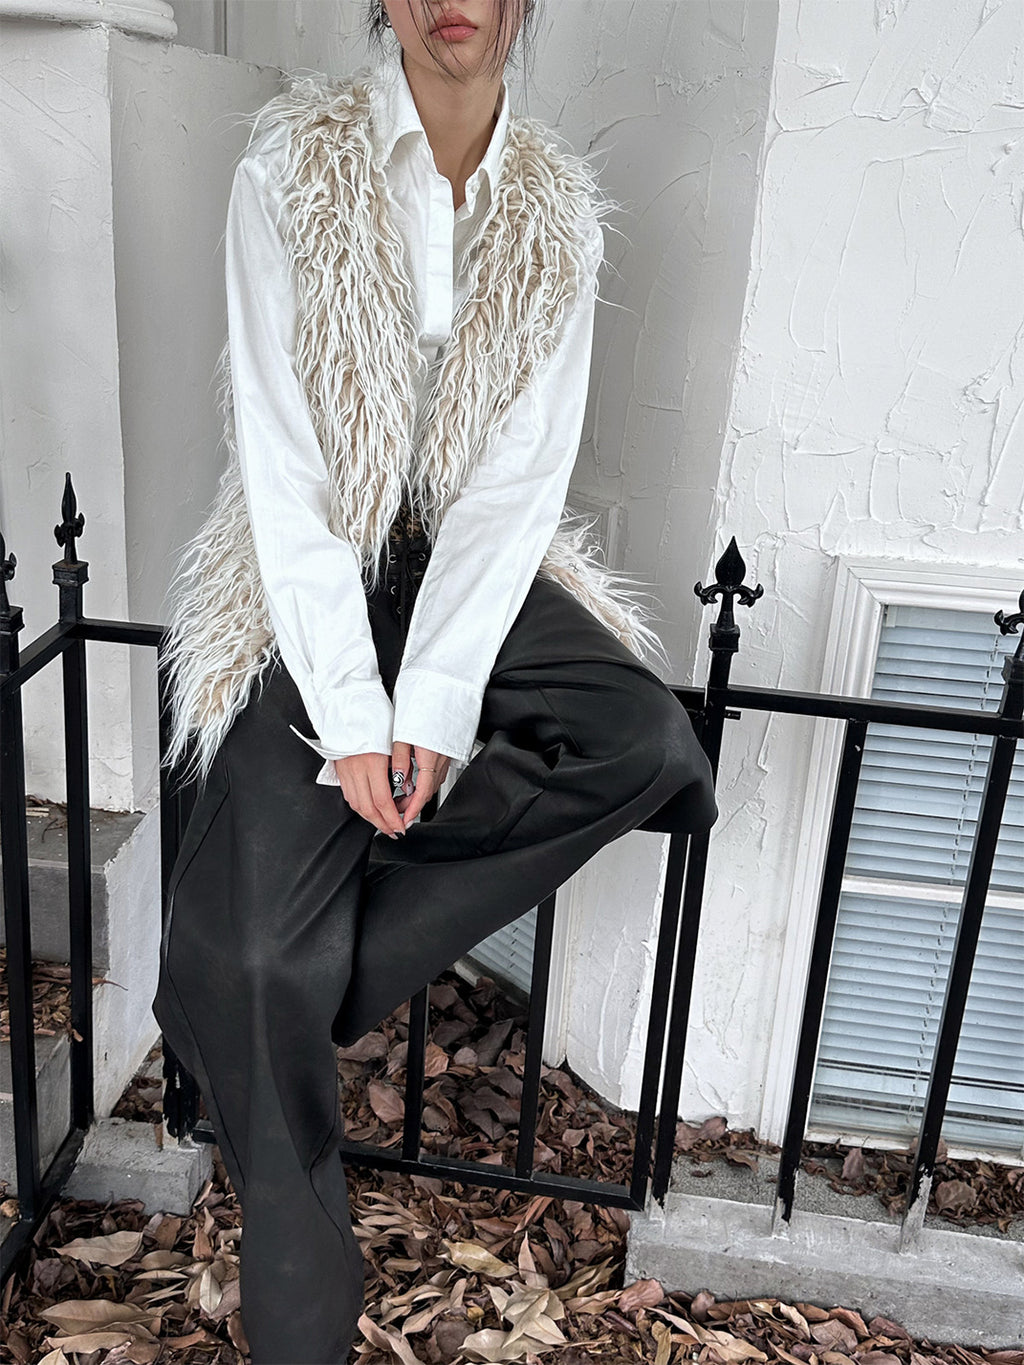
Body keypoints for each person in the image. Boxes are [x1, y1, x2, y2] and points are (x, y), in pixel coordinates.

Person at [151, 2, 718, 1360]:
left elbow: (516, 485)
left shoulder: (555, 216)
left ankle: (296, 965)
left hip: (467, 562)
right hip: (317, 565)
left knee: (645, 744)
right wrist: (355, 716)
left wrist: (437, 707)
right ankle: (303, 1303)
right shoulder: (291, 169)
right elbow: (283, 461)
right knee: (250, 956)